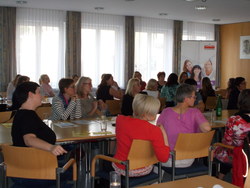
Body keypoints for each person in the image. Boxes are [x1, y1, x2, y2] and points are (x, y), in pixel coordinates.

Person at [11, 82, 68, 187]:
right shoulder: (28, 115)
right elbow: (29, 140)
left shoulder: (21, 113)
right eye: (38, 92)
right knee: (70, 168)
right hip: (36, 170)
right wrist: (51, 147)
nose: (41, 96)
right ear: (30, 94)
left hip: (20, 168)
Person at [113, 94, 170, 176]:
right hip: (143, 169)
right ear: (147, 114)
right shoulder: (154, 130)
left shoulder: (120, 120)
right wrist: (163, 133)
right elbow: (164, 158)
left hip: (121, 167)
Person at [157, 83, 211, 168]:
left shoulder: (166, 112)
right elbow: (207, 129)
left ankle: (160, 178)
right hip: (188, 159)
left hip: (168, 159)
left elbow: (158, 131)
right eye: (194, 97)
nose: (195, 99)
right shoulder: (195, 112)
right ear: (186, 99)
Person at [214, 89, 250, 179]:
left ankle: (220, 176)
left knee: (221, 148)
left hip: (238, 153)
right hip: (247, 152)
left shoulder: (234, 120)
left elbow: (227, 141)